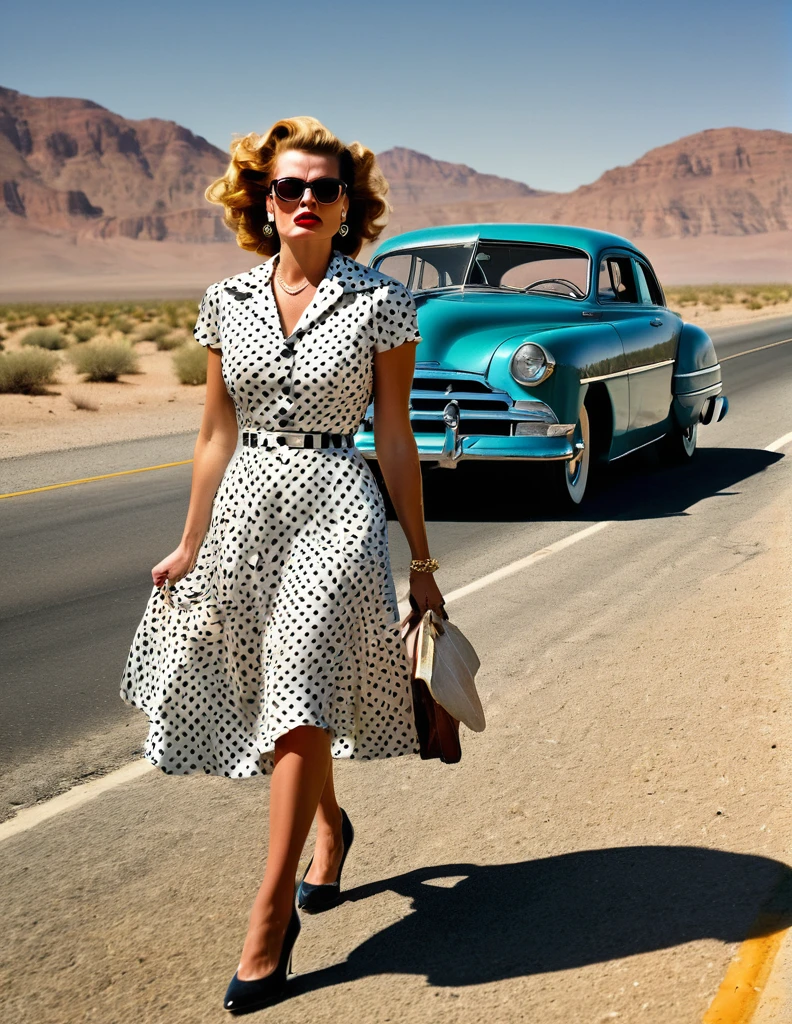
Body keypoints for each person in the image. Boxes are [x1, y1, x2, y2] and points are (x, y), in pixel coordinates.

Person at [119, 115, 445, 1013]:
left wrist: (420, 558)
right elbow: (214, 432)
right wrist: (190, 541)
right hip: (247, 508)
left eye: (323, 189)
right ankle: (331, 826)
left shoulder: (382, 302)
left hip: (338, 501)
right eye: (288, 187)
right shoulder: (225, 299)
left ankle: (269, 917)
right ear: (264, 200)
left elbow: (396, 435)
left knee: (300, 683)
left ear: (349, 206)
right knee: (285, 698)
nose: (305, 200)